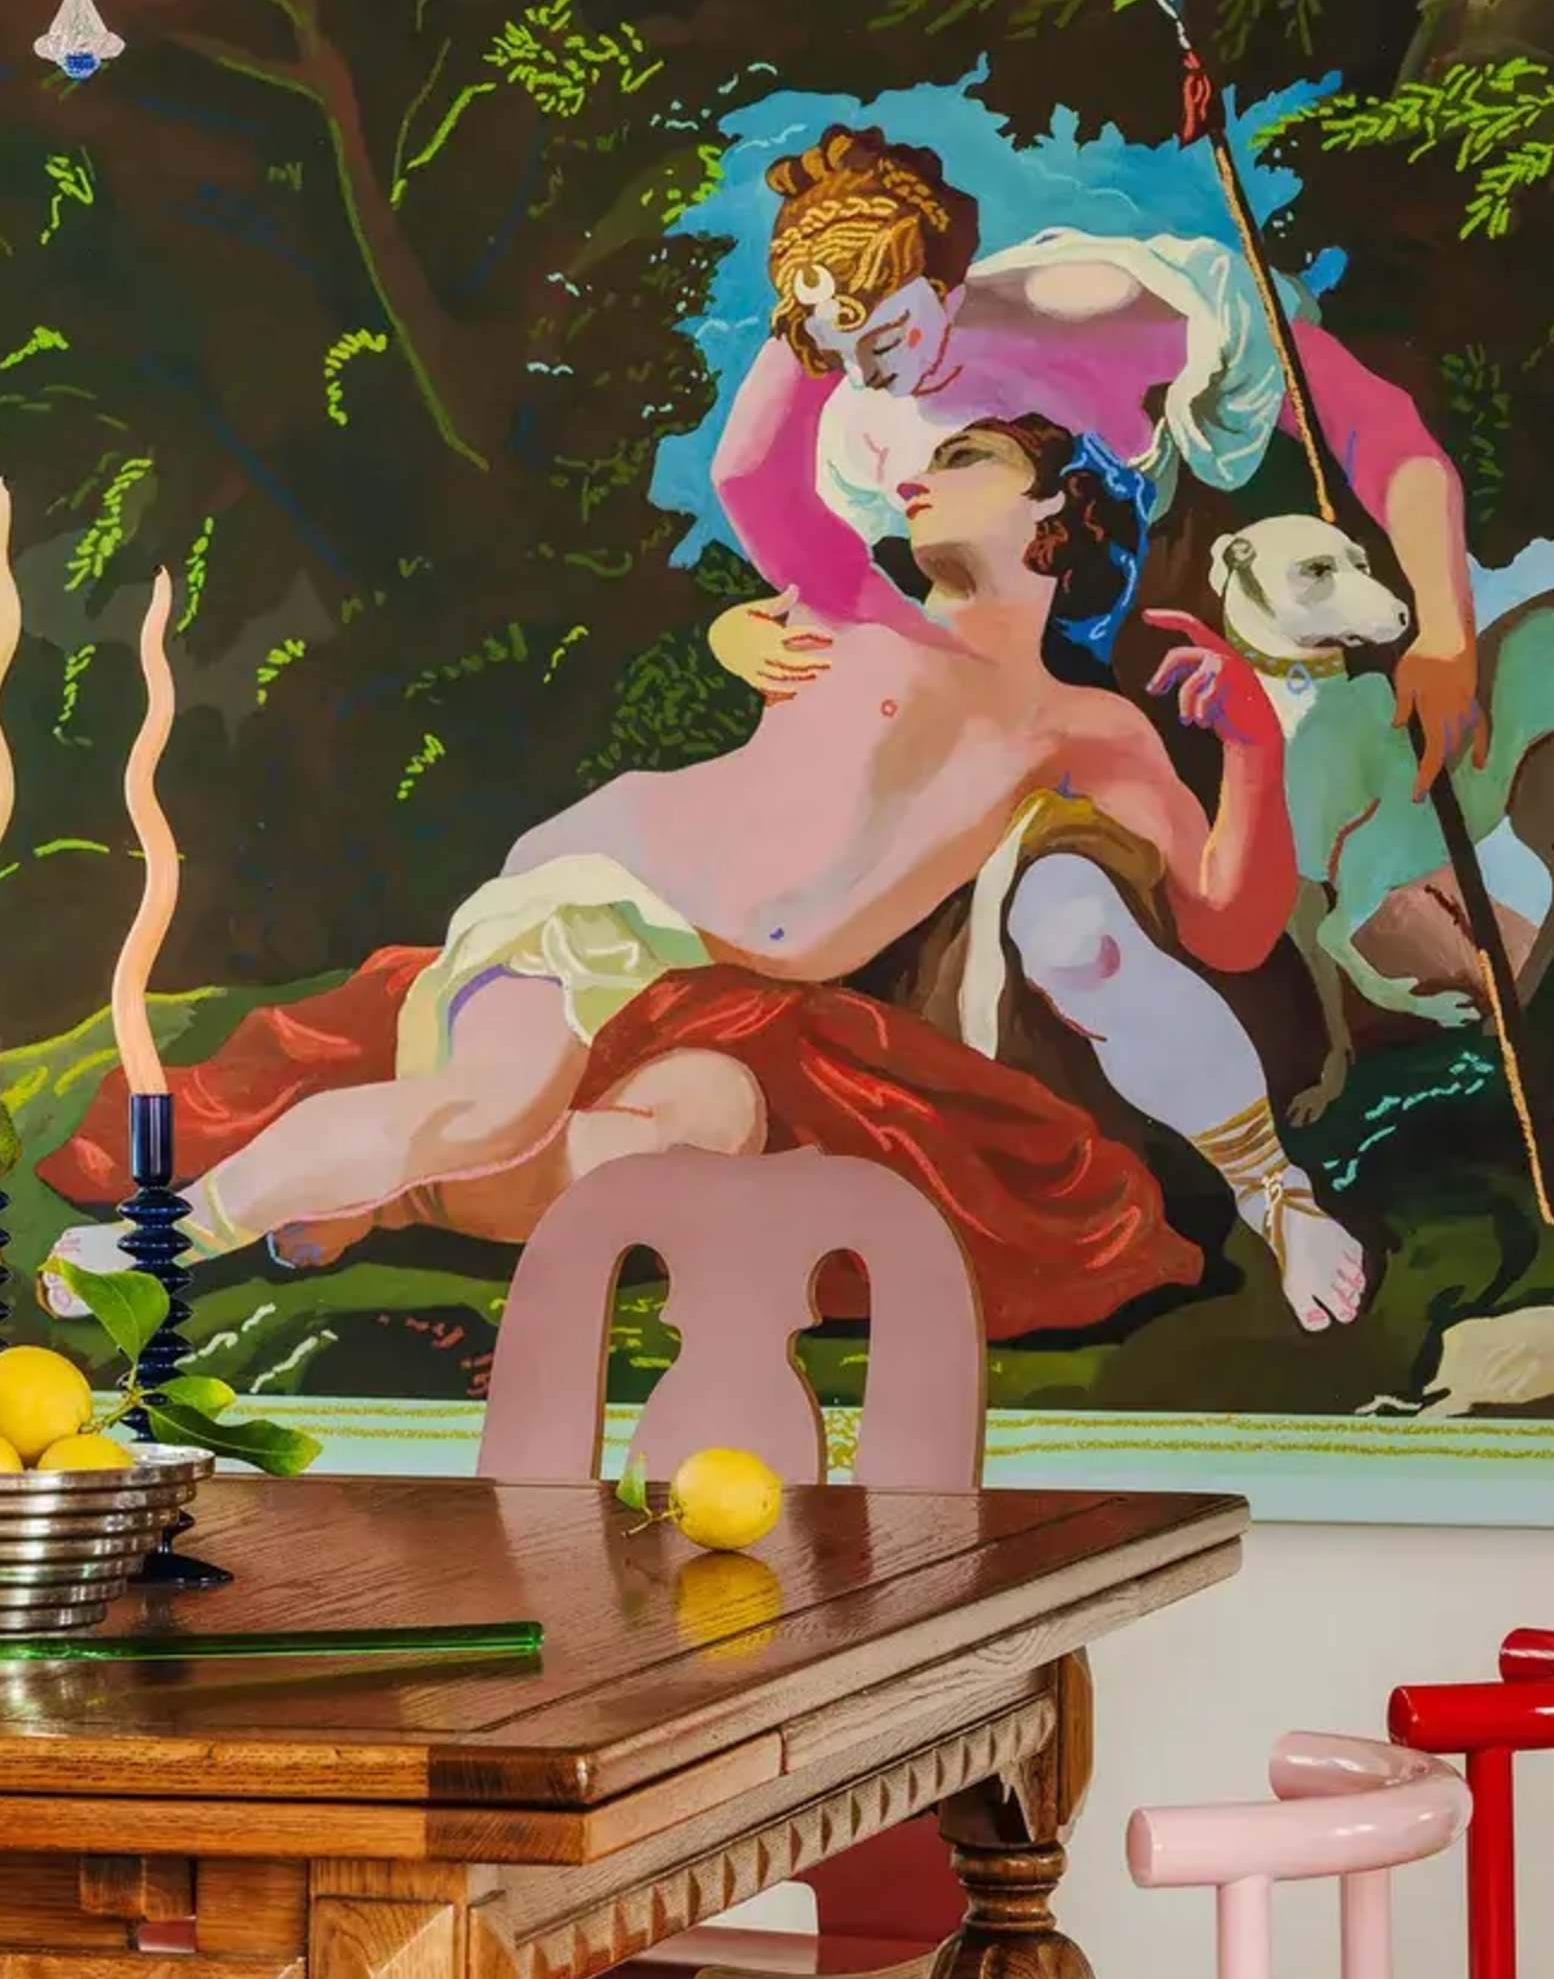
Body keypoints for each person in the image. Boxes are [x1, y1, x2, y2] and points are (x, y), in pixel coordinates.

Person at [104, 417, 1292, 1275]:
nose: (922, 475)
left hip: (720, 992)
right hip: (604, 901)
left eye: (966, 458)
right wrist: (812, 325)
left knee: (702, 1143)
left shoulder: (1084, 727)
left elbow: (1228, 924)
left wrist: (1252, 748)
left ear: (1058, 516)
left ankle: (396, 1193)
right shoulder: (850, 609)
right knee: (489, 1111)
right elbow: (747, 470)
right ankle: (159, 1238)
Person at [707, 126, 1409, 1321]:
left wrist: (1258, 735)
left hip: (1045, 773)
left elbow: (1228, 916)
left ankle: (1273, 1197)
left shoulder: (1083, 335)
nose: (872, 385)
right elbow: (764, 512)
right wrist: (742, 635)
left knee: (1072, 918)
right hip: (883, 806)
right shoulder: (885, 528)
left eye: (883, 339)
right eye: (839, 357)